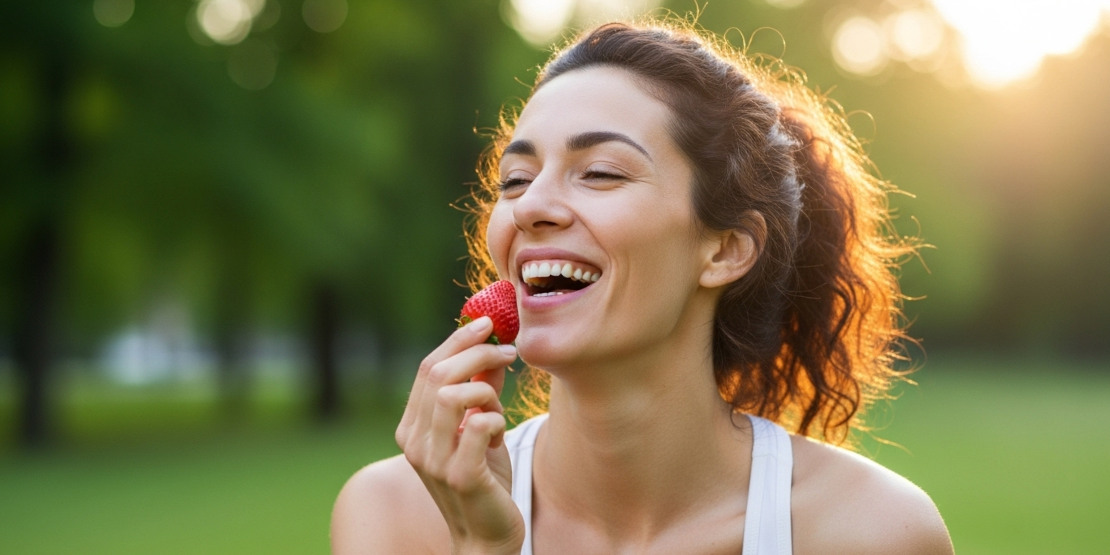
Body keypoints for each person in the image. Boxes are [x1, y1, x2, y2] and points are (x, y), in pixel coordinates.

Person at [331, 20, 954, 555]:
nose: (531, 206)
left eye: (599, 172)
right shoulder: (393, 517)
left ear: (727, 249)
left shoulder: (870, 532)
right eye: (515, 179)